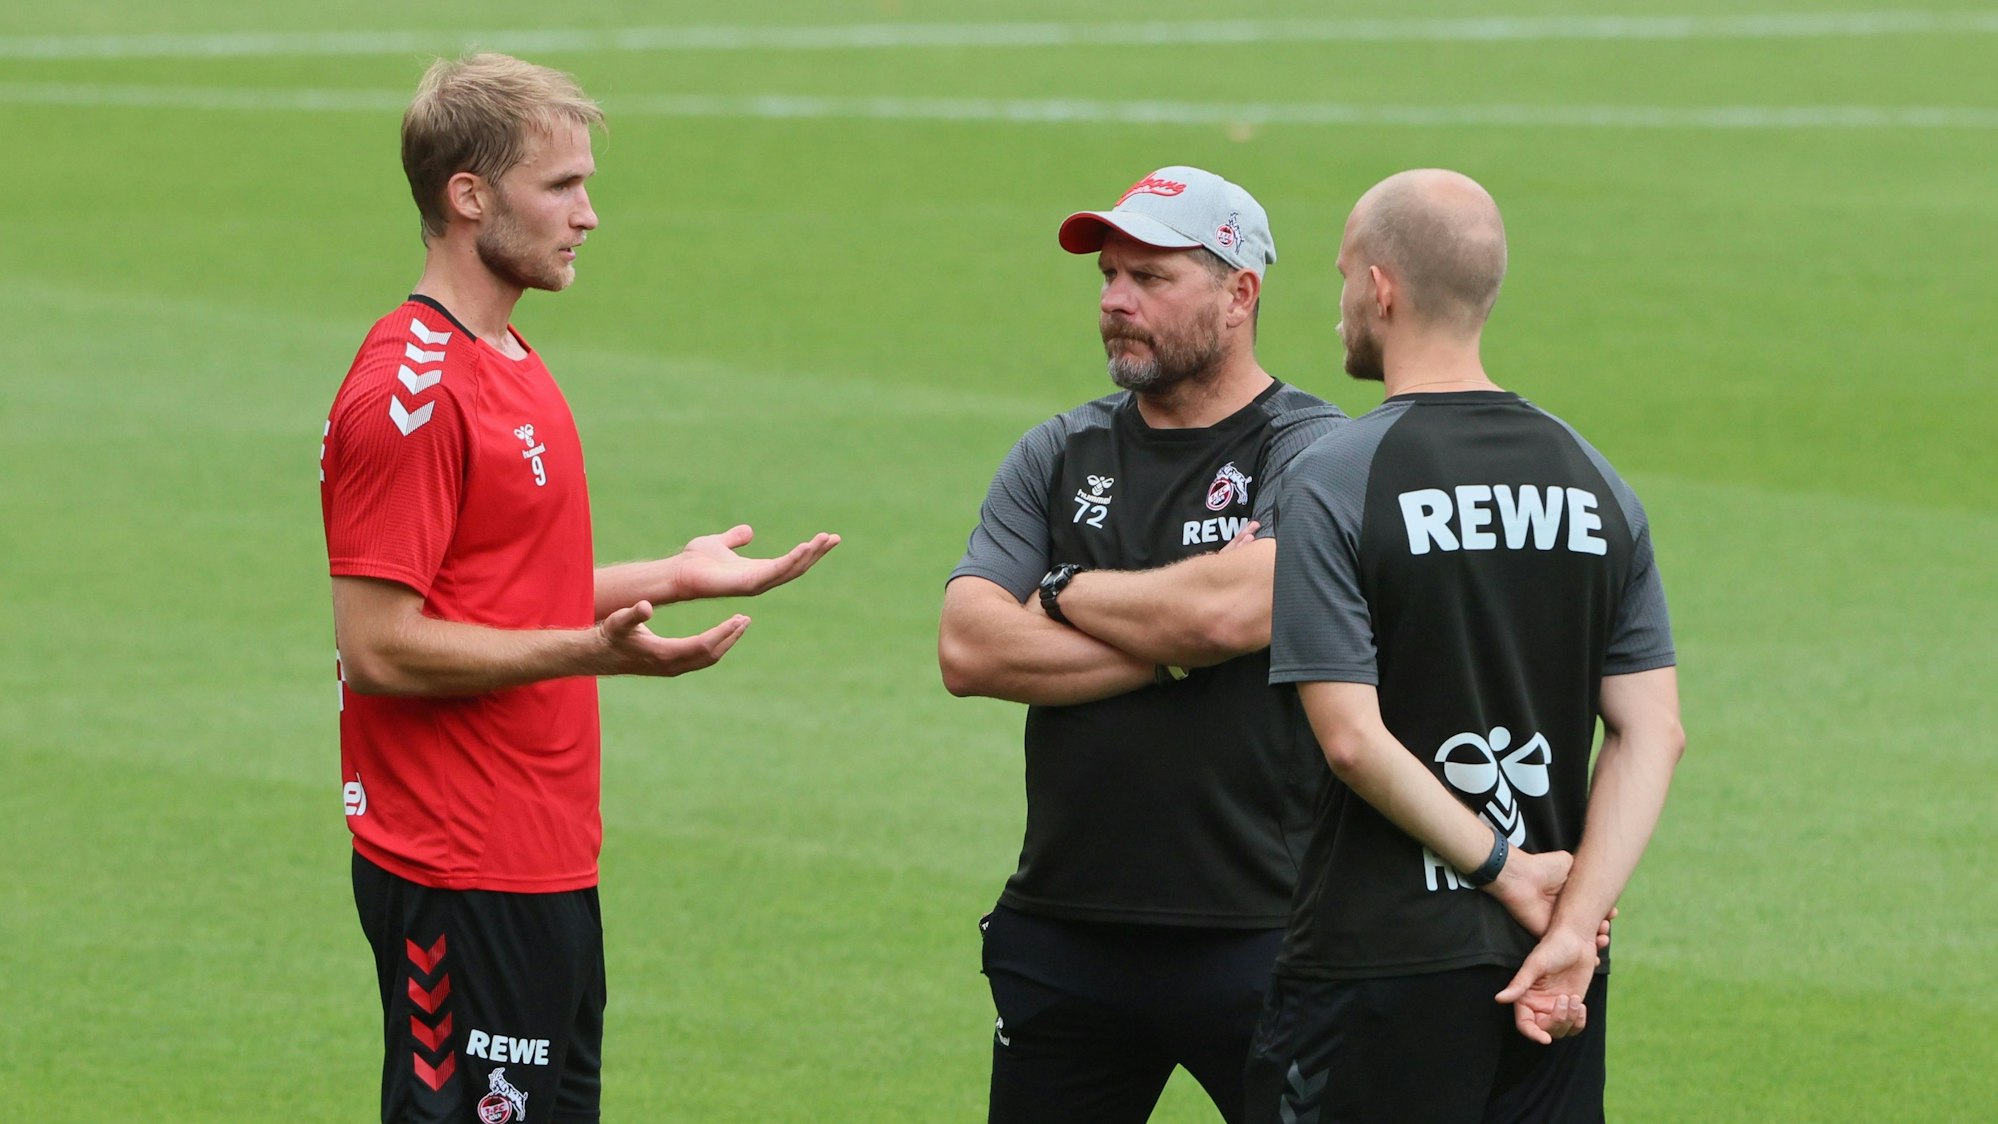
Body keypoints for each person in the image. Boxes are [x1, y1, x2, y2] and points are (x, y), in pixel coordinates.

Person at [318, 54, 837, 1123]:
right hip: (455, 865)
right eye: (562, 186)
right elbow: (380, 642)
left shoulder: (508, 355)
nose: (589, 215)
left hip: (543, 854)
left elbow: (498, 586)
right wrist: (590, 649)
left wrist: (670, 575)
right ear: (470, 195)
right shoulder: (407, 393)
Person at [1244, 169, 1685, 1123]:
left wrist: (1504, 868)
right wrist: (1571, 929)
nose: (1341, 305)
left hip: (1378, 962)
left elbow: (1352, 739)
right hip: (1548, 972)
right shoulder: (1595, 478)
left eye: (1343, 276)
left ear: (1384, 288)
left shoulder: (1333, 477)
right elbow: (1655, 733)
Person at [938, 166, 1346, 1123]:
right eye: (1109, 277)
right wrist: (1172, 645)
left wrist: (1066, 590)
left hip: (1262, 932)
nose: (1116, 302)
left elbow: (1234, 615)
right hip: (1066, 932)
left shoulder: (1313, 448)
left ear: (1241, 292)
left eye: (1151, 279)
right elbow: (969, 648)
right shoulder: (1060, 450)